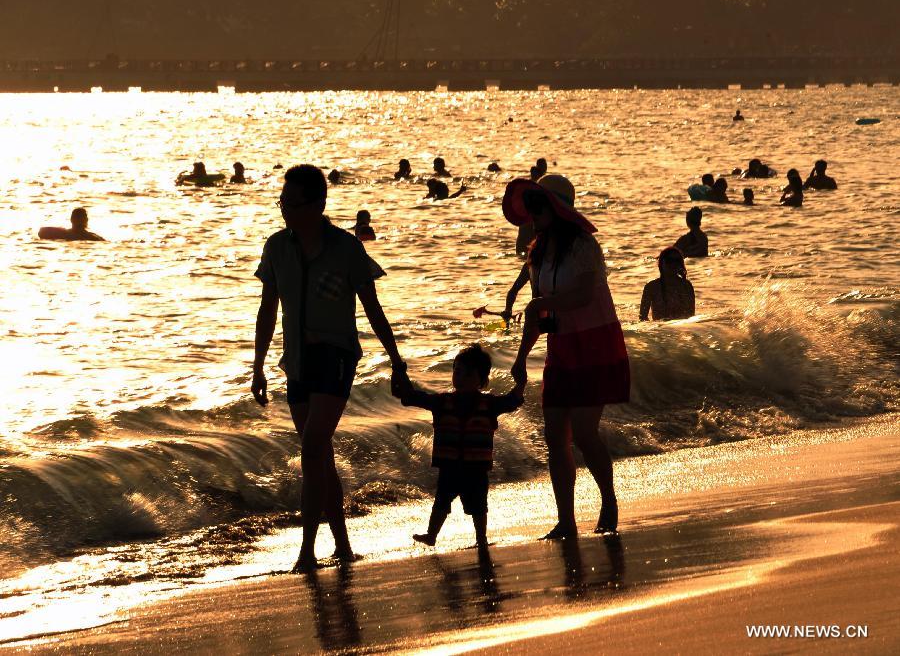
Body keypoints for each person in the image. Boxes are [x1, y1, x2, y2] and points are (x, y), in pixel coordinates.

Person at [251, 165, 407, 572]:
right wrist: (258, 366)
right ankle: (343, 545)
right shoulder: (276, 248)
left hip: (335, 356)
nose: (284, 210)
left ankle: (306, 551)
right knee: (321, 455)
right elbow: (267, 309)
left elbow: (373, 308)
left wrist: (396, 360)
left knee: (313, 448)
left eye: (291, 203)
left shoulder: (346, 249)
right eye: (281, 202)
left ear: (317, 204)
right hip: (297, 362)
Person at [505, 175, 630, 539]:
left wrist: (544, 302)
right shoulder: (537, 253)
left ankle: (608, 501)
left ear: (558, 209)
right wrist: (520, 357)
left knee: (585, 433)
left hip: (596, 343)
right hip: (561, 347)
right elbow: (537, 313)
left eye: (539, 207)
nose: (533, 214)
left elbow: (585, 295)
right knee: (554, 435)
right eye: (530, 207)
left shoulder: (584, 246)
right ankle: (566, 521)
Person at [393, 344, 524, 548]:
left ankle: (481, 538)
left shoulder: (488, 404)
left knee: (479, 506)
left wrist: (521, 382)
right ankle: (431, 534)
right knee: (441, 503)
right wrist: (399, 372)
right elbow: (412, 397)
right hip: (449, 468)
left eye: (468, 374)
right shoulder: (441, 402)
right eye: (457, 371)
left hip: (476, 469)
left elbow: (512, 401)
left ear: (482, 380)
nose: (460, 377)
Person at [639, 247, 695, 321]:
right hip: (661, 330)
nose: (673, 264)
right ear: (661, 263)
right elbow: (642, 318)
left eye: (677, 260)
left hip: (682, 329)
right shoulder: (651, 287)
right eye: (669, 260)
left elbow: (691, 316)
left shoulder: (686, 286)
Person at [38, 207, 105, 241]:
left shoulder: (64, 234)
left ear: (71, 220)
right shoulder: (92, 237)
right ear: (86, 220)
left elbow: (41, 232)